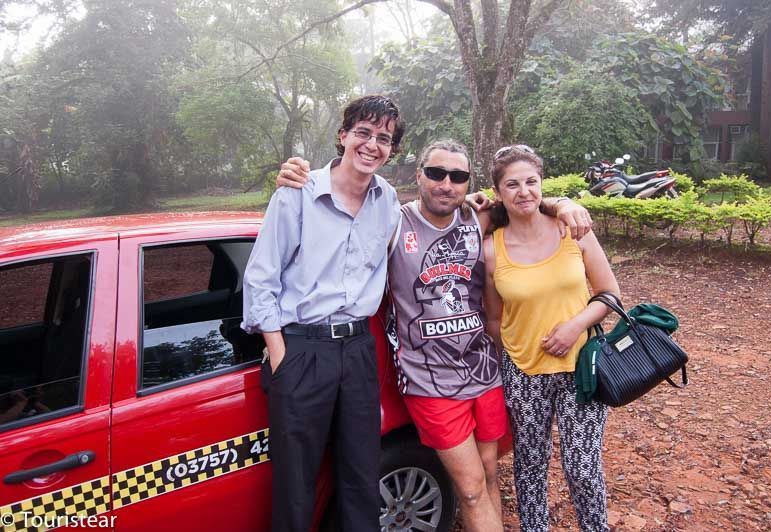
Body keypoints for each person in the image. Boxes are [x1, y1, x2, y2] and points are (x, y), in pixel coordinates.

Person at [275, 138, 594, 531]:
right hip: (429, 381)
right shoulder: (393, 221)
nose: (447, 183)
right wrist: (300, 185)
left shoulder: (478, 219)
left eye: (458, 176)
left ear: (468, 183)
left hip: (485, 374)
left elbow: (524, 196)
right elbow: (339, 215)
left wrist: (563, 204)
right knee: (472, 488)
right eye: (436, 173)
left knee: (490, 476)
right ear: (418, 175)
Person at [241, 95, 404, 531]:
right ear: (343, 135)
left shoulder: (387, 201)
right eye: (364, 133)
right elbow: (261, 279)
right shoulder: (298, 193)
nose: (372, 144)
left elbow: (434, 222)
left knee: (361, 476)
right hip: (301, 349)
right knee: (296, 483)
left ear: (391, 149)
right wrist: (280, 355)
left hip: (357, 350)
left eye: (383, 138)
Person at [483, 145, 621, 532]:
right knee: (529, 464)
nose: (523, 191)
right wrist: (508, 362)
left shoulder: (572, 230)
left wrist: (575, 326)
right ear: (499, 192)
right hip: (523, 371)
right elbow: (494, 318)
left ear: (543, 185)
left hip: (582, 368)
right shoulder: (491, 249)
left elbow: (610, 294)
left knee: (581, 467)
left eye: (531, 182)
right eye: (512, 184)